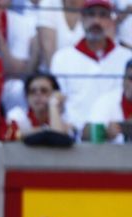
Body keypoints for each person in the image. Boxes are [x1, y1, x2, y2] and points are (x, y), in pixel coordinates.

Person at [51, 0, 132, 129]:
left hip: (117, 140)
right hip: (75, 141)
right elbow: (58, 102)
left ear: (111, 21)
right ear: (82, 18)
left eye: (103, 15)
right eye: (91, 14)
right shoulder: (62, 58)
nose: (96, 21)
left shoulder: (126, 58)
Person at [4, 73, 73, 139]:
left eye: (44, 91)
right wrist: (46, 130)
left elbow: (58, 137)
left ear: (55, 94)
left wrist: (53, 103)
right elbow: (8, 135)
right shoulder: (17, 115)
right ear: (26, 97)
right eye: (32, 91)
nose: (38, 95)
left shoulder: (65, 116)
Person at [88, 58, 132, 141]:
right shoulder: (106, 101)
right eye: (131, 79)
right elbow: (86, 135)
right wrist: (105, 132)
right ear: (123, 80)